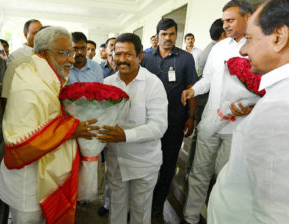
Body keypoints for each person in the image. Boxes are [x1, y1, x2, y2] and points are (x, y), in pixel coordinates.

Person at [0, 26, 98, 224]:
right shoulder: (29, 83)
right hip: (28, 181)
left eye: (72, 52)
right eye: (65, 53)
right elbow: (23, 142)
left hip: (44, 174)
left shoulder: (47, 79)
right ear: (44, 53)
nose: (72, 59)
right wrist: (71, 129)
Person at [208, 0, 289, 223]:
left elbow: (275, 214)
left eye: (251, 39)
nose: (243, 49)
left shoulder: (280, 107)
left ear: (279, 37)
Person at [180, 1, 254, 224]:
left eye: (230, 20)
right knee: (198, 174)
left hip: (238, 127)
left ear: (248, 17)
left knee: (226, 179)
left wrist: (253, 107)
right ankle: (190, 218)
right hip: (212, 121)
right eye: (223, 21)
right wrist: (193, 90)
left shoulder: (258, 46)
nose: (226, 25)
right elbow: (209, 80)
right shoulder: (219, 48)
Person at [97, 33, 168, 224]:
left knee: (140, 212)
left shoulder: (153, 84)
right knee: (116, 209)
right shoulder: (107, 84)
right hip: (116, 160)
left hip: (144, 163)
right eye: (117, 54)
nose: (121, 59)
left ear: (139, 56)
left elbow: (158, 126)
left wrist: (125, 135)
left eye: (128, 54)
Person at [141, 18, 198, 221]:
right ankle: (142, 204)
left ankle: (157, 205)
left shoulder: (185, 58)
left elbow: (191, 89)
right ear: (157, 36)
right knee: (147, 164)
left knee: (168, 164)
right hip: (148, 121)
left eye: (172, 34)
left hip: (174, 121)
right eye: (164, 34)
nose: (168, 38)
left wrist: (191, 117)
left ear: (176, 35)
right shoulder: (146, 58)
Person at [184, 18, 226, 178]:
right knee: (200, 135)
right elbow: (206, 80)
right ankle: (191, 169)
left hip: (206, 100)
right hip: (204, 100)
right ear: (223, 33)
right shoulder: (213, 50)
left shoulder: (209, 48)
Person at [1, 19, 42, 100]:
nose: (39, 36)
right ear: (26, 34)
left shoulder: (47, 55)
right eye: (35, 33)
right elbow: (8, 87)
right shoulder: (15, 56)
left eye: (41, 33)